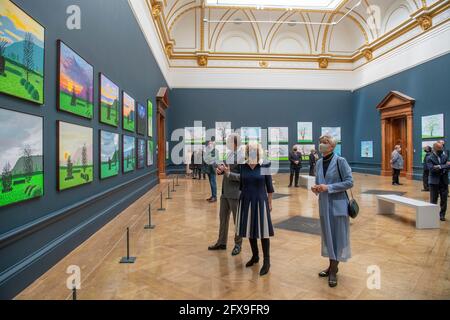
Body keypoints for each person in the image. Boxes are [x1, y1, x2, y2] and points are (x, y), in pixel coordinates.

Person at [311, 135, 353, 288]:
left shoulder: (340, 161)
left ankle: (334, 269)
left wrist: (328, 187)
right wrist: (316, 188)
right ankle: (331, 266)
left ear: (333, 146)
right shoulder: (319, 162)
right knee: (328, 237)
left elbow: (350, 182)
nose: (322, 144)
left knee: (338, 237)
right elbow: (319, 182)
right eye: (321, 142)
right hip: (324, 204)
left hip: (338, 204)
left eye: (325, 142)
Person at [236, 142, 274, 276]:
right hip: (246, 200)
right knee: (250, 230)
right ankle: (255, 256)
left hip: (260, 201)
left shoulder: (264, 164)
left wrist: (269, 202)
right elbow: (241, 185)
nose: (252, 151)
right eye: (249, 149)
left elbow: (269, 187)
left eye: (254, 149)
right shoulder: (243, 166)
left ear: (258, 151)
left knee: (263, 232)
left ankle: (267, 261)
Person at [208, 133, 243, 255]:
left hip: (235, 194)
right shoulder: (229, 154)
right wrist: (219, 170)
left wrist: (228, 174)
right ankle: (221, 242)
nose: (227, 142)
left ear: (235, 143)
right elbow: (224, 169)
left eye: (228, 140)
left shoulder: (242, 157)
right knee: (223, 219)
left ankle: (238, 244)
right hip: (224, 192)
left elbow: (243, 177)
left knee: (237, 221)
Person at [427, 142, 449, 221]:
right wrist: (444, 166)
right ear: (435, 149)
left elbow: (448, 166)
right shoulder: (429, 158)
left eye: (441, 148)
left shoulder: (445, 156)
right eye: (439, 148)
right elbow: (432, 169)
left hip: (444, 181)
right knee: (433, 200)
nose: (441, 150)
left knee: (444, 200)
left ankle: (442, 215)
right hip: (434, 182)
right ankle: (432, 215)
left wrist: (439, 166)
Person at [204, 137, 218, 202]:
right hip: (208, 168)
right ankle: (213, 195)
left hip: (212, 168)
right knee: (211, 182)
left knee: (213, 182)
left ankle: (214, 197)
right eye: (208, 143)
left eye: (210, 143)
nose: (209, 144)